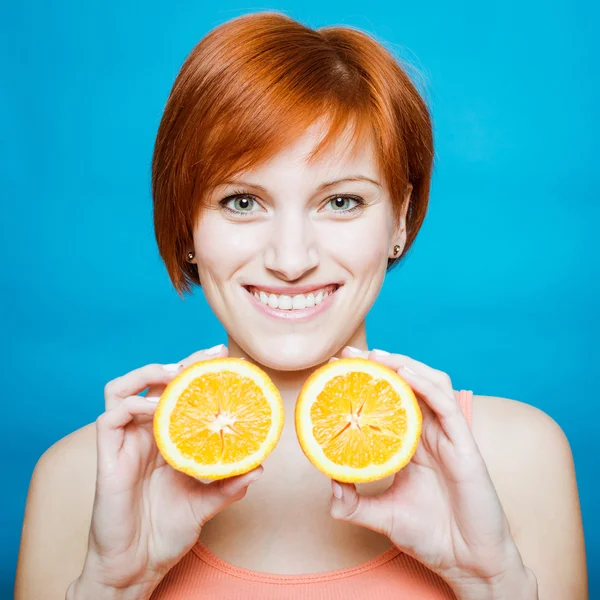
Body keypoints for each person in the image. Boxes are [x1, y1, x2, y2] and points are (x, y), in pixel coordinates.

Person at [15, 10, 587, 600]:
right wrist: (114, 585)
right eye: (241, 201)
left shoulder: (519, 459)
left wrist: (492, 581)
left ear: (401, 218)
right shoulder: (79, 480)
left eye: (341, 202)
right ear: (186, 225)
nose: (291, 259)